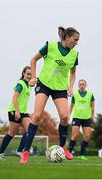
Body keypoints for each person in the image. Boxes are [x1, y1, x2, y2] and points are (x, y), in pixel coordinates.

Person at [20, 26, 80, 164]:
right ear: (66, 37)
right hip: (44, 84)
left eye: (78, 40)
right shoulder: (51, 46)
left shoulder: (74, 54)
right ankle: (25, 151)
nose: (76, 42)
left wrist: (70, 87)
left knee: (65, 117)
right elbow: (33, 59)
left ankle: (62, 148)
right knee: (36, 116)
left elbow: (73, 73)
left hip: (60, 88)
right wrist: (33, 77)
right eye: (75, 40)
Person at [0, 66, 32, 160]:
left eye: (30, 74)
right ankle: (0, 152)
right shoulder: (20, 84)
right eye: (28, 74)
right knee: (12, 133)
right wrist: (16, 111)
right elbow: (15, 97)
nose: (29, 76)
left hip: (24, 112)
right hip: (14, 111)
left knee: (30, 131)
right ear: (23, 73)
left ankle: (20, 151)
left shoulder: (29, 85)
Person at [68, 79, 95, 160]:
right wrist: (68, 115)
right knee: (74, 136)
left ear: (86, 85)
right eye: (80, 84)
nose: (82, 86)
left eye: (83, 84)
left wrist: (92, 116)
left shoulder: (90, 94)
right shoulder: (75, 95)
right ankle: (69, 153)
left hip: (87, 118)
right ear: (78, 85)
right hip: (76, 117)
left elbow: (92, 106)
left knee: (87, 136)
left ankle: (81, 155)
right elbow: (71, 106)